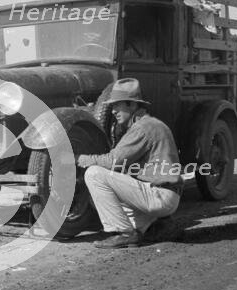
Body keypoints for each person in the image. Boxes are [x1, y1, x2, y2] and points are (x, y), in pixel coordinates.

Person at [77, 78, 182, 248]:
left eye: (117, 105)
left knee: (94, 174)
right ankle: (154, 225)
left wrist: (81, 159)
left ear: (132, 105)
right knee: (105, 194)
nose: (113, 111)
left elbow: (113, 161)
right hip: (165, 195)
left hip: (160, 196)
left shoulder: (143, 127)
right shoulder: (151, 124)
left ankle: (124, 233)